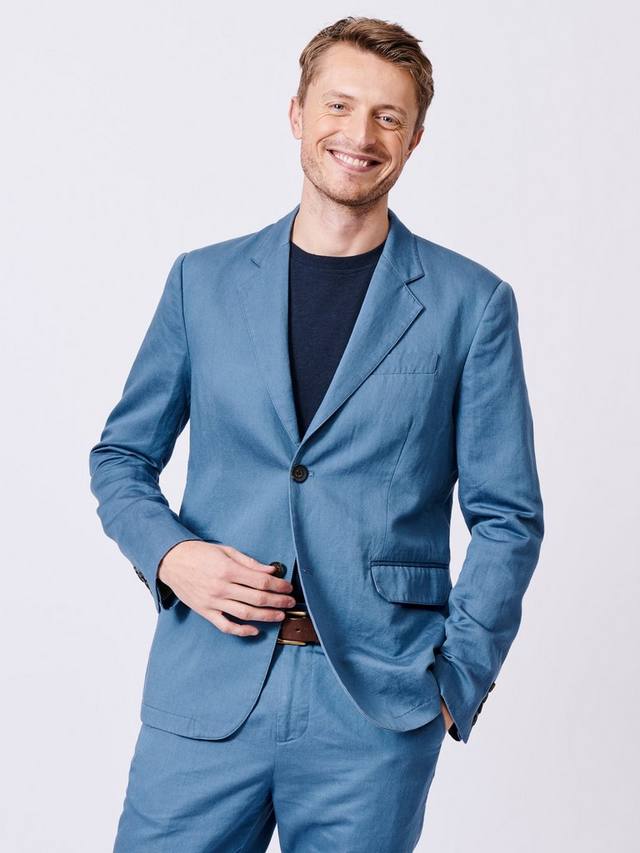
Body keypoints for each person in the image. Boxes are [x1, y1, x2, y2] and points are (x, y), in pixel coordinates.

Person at [89, 16, 544, 852]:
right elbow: (121, 456)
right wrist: (171, 555)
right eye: (339, 105)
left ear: (414, 139)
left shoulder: (470, 303)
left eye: (388, 116)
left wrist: (456, 680)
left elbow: (508, 515)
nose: (360, 135)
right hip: (206, 687)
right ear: (297, 113)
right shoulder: (202, 282)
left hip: (373, 710)